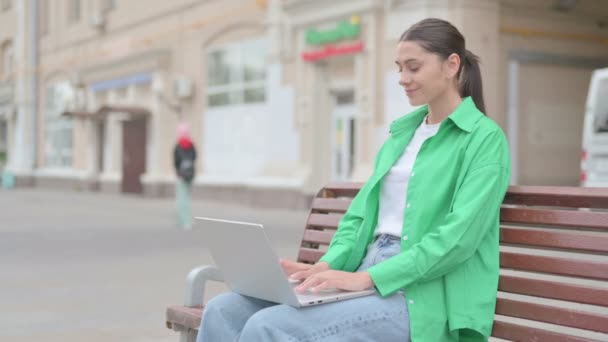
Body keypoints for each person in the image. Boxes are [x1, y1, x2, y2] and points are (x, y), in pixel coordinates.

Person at [196, 17, 511, 342]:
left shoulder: (483, 140)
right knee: (224, 310)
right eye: (399, 68)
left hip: (421, 296)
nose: (403, 78)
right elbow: (358, 218)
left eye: (413, 67)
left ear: (451, 65)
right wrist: (327, 265)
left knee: (270, 327)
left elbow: (458, 240)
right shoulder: (402, 135)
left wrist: (369, 279)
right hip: (365, 270)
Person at [173, 123, 197, 230]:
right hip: (190, 174)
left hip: (181, 175)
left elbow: (176, 161)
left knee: (181, 198)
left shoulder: (178, 146)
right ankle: (187, 220)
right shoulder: (191, 145)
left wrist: (178, 171)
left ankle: (182, 220)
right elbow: (195, 157)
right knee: (187, 197)